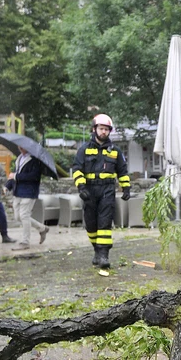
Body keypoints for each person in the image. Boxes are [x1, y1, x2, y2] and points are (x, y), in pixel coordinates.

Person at [72, 114, 131, 269]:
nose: (104, 132)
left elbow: (122, 172)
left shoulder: (115, 151)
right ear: (94, 129)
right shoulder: (84, 150)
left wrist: (126, 188)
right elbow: (77, 170)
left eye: (106, 129)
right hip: (89, 191)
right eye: (101, 128)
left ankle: (104, 255)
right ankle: (96, 251)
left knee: (104, 223)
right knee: (91, 225)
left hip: (107, 191)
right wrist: (81, 187)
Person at [7, 146, 49, 250]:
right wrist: (8, 185)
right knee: (18, 217)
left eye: (23, 147)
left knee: (24, 216)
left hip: (29, 192)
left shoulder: (35, 160)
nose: (20, 148)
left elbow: (34, 176)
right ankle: (42, 228)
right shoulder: (19, 158)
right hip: (18, 191)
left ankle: (25, 242)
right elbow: (13, 174)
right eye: (19, 146)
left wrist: (16, 176)